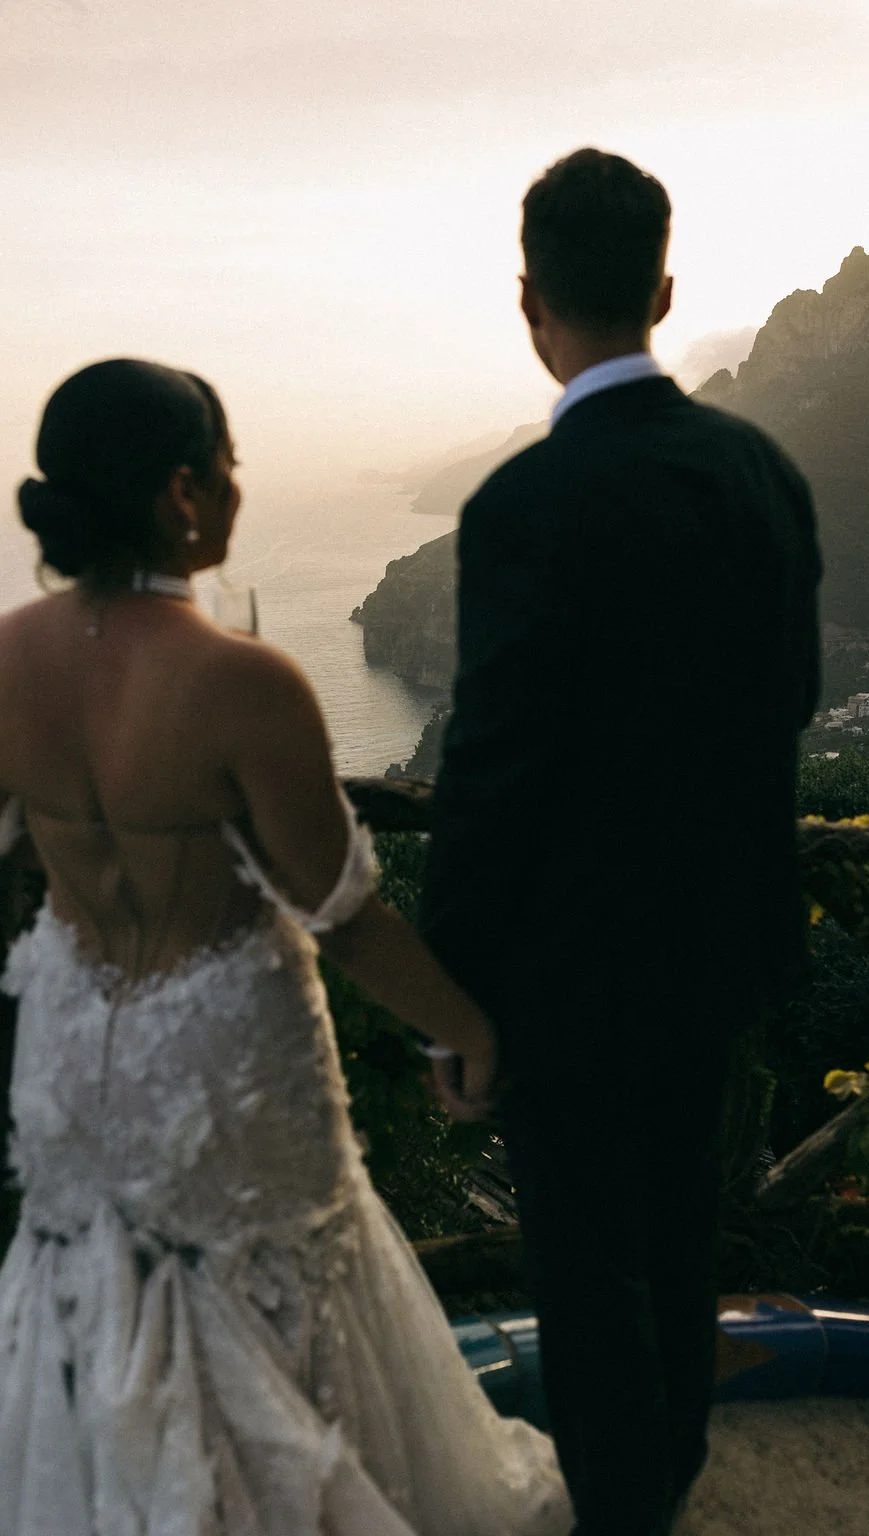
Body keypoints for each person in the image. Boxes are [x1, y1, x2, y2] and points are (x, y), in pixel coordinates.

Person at [0, 358, 573, 1536]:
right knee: (274, 1292)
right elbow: (342, 915)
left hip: (68, 1048)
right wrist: (466, 1028)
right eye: (229, 469)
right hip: (221, 1056)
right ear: (184, 493)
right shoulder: (240, 681)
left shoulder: (7, 659)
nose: (237, 488)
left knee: (95, 1288)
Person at [420, 148, 822, 1536]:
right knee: (681, 1227)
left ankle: (626, 1509)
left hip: (565, 970)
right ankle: (677, 1472)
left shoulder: (520, 507)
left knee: (585, 1269)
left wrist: (453, 992)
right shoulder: (762, 472)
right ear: (662, 290)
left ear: (530, 303)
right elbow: (790, 698)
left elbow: (490, 775)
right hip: (718, 939)